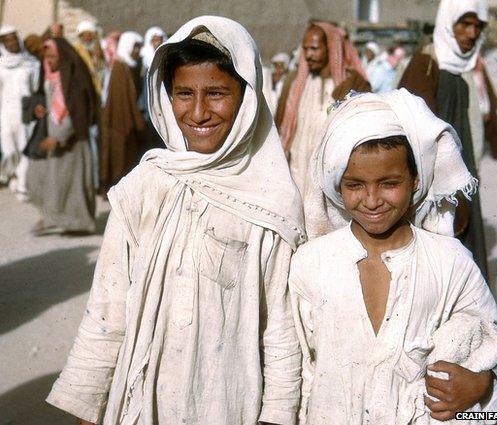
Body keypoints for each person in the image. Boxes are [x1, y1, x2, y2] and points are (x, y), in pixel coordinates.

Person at [47, 16, 304, 424]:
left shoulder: (271, 200)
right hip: (141, 401)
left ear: (248, 97)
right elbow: (108, 305)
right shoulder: (146, 186)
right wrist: (88, 403)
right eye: (184, 93)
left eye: (217, 93)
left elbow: (281, 328)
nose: (198, 111)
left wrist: (277, 414)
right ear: (167, 98)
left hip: (226, 403)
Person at [292, 89, 497, 424]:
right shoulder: (310, 263)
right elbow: (298, 365)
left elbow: (486, 350)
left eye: (389, 183)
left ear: (415, 180)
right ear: (336, 185)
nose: (372, 200)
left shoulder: (452, 262)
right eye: (355, 185)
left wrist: (482, 385)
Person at [398, 0, 489, 280]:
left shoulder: (464, 68)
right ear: (449, 23)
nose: (471, 34)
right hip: (432, 190)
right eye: (464, 24)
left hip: (461, 180)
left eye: (477, 26)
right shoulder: (426, 64)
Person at [275, 21, 370, 195]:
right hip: (297, 171)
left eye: (314, 49)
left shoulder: (354, 83)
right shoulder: (296, 83)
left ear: (331, 48)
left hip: (334, 174)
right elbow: (280, 125)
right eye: (305, 49)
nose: (308, 55)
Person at [26, 38, 98, 236]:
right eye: (46, 56)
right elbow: (42, 98)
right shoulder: (50, 74)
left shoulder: (73, 76)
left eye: (52, 56)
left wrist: (61, 137)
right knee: (54, 181)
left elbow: (80, 111)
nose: (48, 60)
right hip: (53, 133)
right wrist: (38, 108)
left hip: (72, 138)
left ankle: (80, 223)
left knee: (74, 183)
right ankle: (57, 219)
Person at [99, 31, 145, 193]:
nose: (137, 51)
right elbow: (122, 101)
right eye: (135, 47)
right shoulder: (120, 68)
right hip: (119, 122)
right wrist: (137, 122)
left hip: (126, 120)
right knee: (119, 159)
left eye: (139, 47)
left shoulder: (128, 66)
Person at [0, 26, 39, 201]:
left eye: (15, 38)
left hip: (25, 112)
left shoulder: (31, 64)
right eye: (8, 40)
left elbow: (35, 87)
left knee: (25, 147)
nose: (13, 42)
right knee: (9, 150)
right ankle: (14, 175)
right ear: (3, 43)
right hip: (6, 113)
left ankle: (23, 184)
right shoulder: (1, 66)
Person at [139, 27, 168, 152]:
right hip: (147, 102)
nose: (157, 43)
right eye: (154, 40)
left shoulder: (166, 57)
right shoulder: (144, 59)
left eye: (159, 40)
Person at [73, 21, 105, 96]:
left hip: (97, 86)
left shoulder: (98, 48)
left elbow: (102, 66)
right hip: (83, 85)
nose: (87, 38)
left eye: (90, 35)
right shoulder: (76, 49)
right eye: (85, 36)